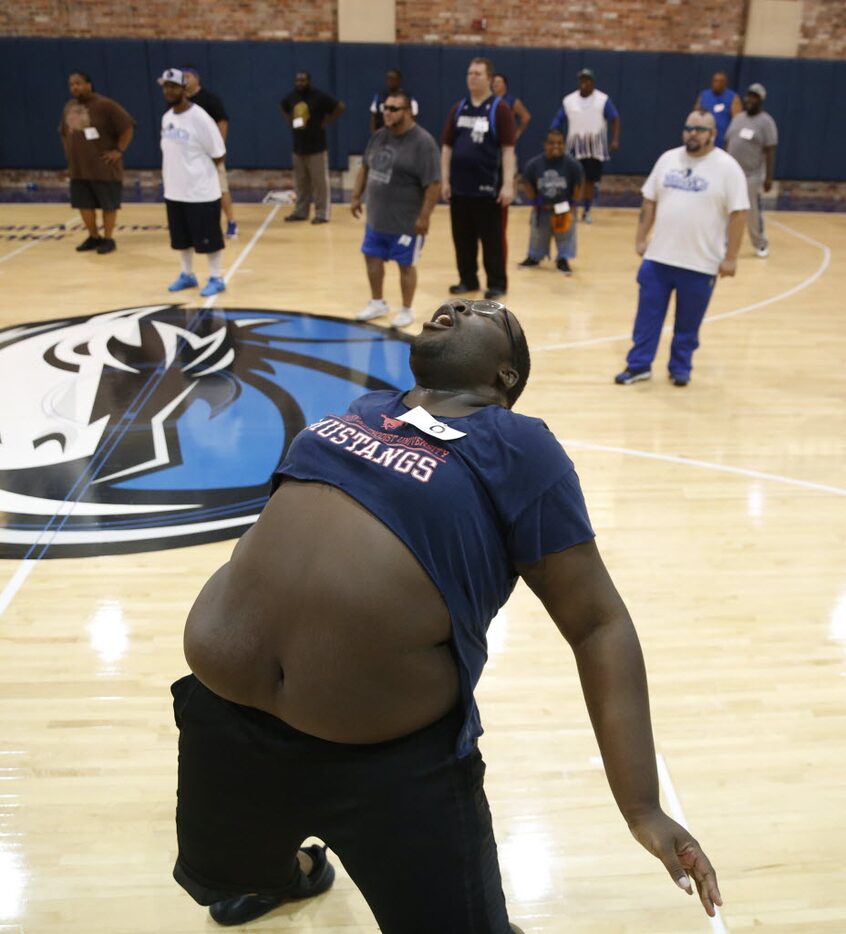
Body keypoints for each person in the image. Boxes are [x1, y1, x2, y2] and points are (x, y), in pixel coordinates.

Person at [170, 297, 724, 932]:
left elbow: (599, 624)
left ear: (504, 376)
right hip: (228, 722)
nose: (458, 303)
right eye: (457, 301)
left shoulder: (518, 447)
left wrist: (642, 807)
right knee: (225, 877)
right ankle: (293, 871)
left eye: (488, 312)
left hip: (391, 768)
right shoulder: (367, 409)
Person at [615, 111, 749, 388]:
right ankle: (638, 365)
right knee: (646, 319)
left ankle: (680, 367)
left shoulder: (728, 167)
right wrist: (641, 237)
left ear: (713, 134)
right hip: (658, 258)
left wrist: (732, 257)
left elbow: (739, 213)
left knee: (688, 325)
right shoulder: (668, 159)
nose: (693, 133)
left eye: (700, 129)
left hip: (701, 264)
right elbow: (649, 200)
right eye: (688, 128)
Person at [351, 91, 441, 329]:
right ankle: (377, 302)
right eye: (385, 109)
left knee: (405, 266)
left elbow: (433, 183)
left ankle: (406, 308)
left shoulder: (423, 143)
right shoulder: (379, 136)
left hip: (406, 222)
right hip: (377, 218)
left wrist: (424, 217)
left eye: (393, 109)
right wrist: (355, 196)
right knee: (371, 258)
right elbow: (365, 167)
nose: (387, 113)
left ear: (408, 112)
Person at [441, 57, 516, 299]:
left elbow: (508, 149)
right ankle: (467, 279)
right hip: (460, 189)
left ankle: (496, 283)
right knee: (462, 239)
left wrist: (507, 184)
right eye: (470, 72)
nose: (472, 77)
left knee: (492, 240)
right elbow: (447, 146)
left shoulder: (499, 109)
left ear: (489, 79)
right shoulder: (459, 107)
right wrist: (445, 180)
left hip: (488, 189)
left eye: (478, 73)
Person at [158, 68, 227, 298]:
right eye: (166, 87)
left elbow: (218, 153)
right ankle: (187, 274)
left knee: (209, 239)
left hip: (201, 191)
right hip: (175, 191)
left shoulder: (200, 117)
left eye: (173, 86)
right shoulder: (166, 117)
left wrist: (200, 175)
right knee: (181, 239)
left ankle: (216, 277)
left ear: (184, 88)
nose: (169, 91)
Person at [58, 71, 135, 255]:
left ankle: (108, 238)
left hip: (103, 166)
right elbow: (63, 132)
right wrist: (69, 154)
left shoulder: (105, 105)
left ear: (89, 84)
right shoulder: (70, 106)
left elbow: (127, 127)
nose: (75, 87)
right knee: (83, 204)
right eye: (71, 84)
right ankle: (93, 237)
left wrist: (118, 150)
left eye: (78, 83)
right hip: (78, 168)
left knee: (108, 205)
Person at [550, 68, 619, 224]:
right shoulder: (569, 100)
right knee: (571, 181)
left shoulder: (603, 100)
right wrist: (554, 135)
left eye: (587, 80)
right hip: (574, 146)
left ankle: (587, 211)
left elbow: (615, 118)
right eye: (582, 80)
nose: (584, 83)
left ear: (593, 83)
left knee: (589, 181)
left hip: (594, 147)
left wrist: (615, 140)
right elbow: (558, 120)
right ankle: (570, 210)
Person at [280, 72, 346, 224]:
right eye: (297, 80)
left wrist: (328, 120)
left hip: (317, 147)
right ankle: (300, 212)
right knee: (301, 183)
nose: (300, 83)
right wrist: (289, 120)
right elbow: (282, 106)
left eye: (303, 80)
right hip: (298, 147)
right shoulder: (292, 97)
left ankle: (322, 213)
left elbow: (340, 106)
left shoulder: (319, 96)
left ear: (309, 81)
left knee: (319, 183)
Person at [183, 65, 239, 238]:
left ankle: (231, 222)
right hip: (190, 154)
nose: (184, 81)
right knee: (193, 191)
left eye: (187, 77)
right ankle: (199, 224)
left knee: (221, 189)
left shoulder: (209, 98)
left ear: (196, 79)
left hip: (210, 152)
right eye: (182, 78)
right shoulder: (181, 101)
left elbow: (223, 122)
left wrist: (219, 147)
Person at [518, 128, 583, 276]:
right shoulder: (534, 164)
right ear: (545, 144)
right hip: (542, 207)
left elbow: (578, 185)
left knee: (565, 234)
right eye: (552, 143)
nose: (556, 146)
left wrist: (571, 205)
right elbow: (527, 182)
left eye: (560, 143)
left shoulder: (572, 165)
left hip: (563, 208)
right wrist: (536, 201)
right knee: (538, 233)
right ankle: (534, 256)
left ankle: (563, 260)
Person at [725, 83, 778, 259]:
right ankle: (724, 242)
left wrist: (768, 177)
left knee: (751, 211)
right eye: (748, 96)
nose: (750, 99)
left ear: (761, 100)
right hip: (731, 173)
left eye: (754, 96)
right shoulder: (738, 118)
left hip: (751, 175)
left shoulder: (766, 122)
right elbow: (728, 143)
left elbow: (770, 150)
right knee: (725, 208)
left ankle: (760, 243)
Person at [694, 71, 741, 149]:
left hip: (722, 140)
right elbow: (695, 115)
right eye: (715, 81)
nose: (717, 83)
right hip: (704, 138)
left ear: (725, 83)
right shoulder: (704, 95)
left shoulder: (733, 97)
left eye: (721, 81)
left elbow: (737, 122)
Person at [369, 68, 419, 133]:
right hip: (383, 135)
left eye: (393, 79)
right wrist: (374, 134)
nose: (390, 81)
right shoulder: (379, 97)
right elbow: (373, 116)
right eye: (388, 79)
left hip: (402, 135)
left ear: (399, 80)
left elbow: (413, 118)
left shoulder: (408, 98)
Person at [492, 74, 532, 141]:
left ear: (505, 85)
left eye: (498, 82)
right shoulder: (490, 100)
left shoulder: (512, 101)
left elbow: (526, 117)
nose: (495, 84)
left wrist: (518, 133)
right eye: (493, 82)